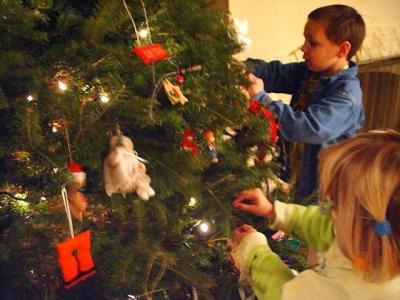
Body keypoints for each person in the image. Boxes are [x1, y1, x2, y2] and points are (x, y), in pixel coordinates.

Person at [230, 129, 400, 300]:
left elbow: (283, 294)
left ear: (368, 229)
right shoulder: (369, 239)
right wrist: (273, 211)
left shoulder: (347, 291)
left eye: (335, 205)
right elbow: (327, 227)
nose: (326, 206)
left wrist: (253, 250)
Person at [245, 5, 366, 201]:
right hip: (297, 181)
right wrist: (243, 69)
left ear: (342, 50)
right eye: (305, 39)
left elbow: (308, 127)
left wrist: (261, 99)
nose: (303, 47)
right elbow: (275, 73)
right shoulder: (310, 72)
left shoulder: (347, 97)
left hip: (325, 199)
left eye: (313, 43)